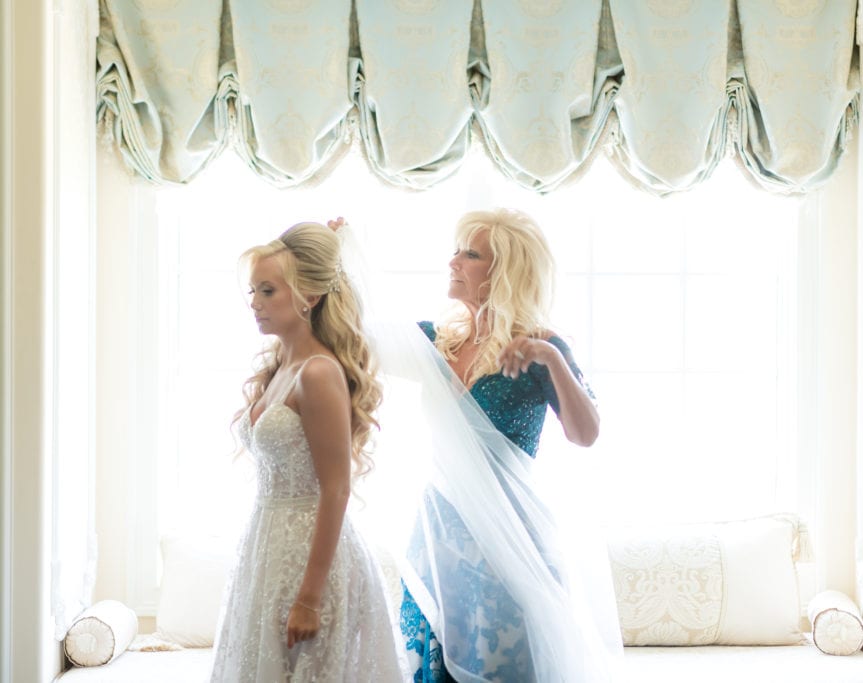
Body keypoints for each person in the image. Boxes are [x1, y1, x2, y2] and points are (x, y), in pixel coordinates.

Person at [329, 209, 620, 682]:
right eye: (457, 250)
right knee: (433, 659)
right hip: (439, 536)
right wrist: (341, 259)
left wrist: (550, 358)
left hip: (508, 540)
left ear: (503, 271)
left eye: (470, 253)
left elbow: (585, 434)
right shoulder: (437, 342)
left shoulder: (541, 347)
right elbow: (356, 338)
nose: (453, 261)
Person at [210, 221, 407, 683]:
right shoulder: (282, 366)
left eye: (268, 291)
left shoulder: (318, 372)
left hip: (312, 562)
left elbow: (337, 489)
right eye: (253, 291)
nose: (254, 303)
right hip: (268, 546)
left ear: (310, 296)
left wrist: (310, 597)